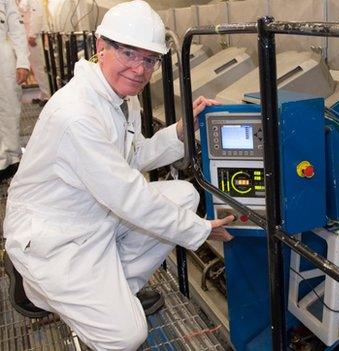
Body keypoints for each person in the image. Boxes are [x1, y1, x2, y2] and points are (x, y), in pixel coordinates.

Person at [3, 1, 234, 349]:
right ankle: (33, 290)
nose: (139, 70)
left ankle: (115, 296)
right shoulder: (77, 113)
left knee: (185, 196)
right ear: (100, 47)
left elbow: (132, 155)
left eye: (149, 60)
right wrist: (200, 230)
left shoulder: (121, 98)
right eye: (128, 53)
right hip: (56, 236)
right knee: (127, 336)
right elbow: (127, 195)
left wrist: (182, 132)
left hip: (93, 216)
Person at [0, 0, 30, 181]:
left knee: (8, 108)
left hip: (2, 56)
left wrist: (23, 62)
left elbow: (17, 29)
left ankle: (11, 159)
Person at [18, 0, 50, 104]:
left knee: (40, 67)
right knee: (36, 68)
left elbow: (37, 16)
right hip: (27, 37)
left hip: (34, 38)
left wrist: (32, 35)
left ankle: (47, 96)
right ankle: (43, 94)